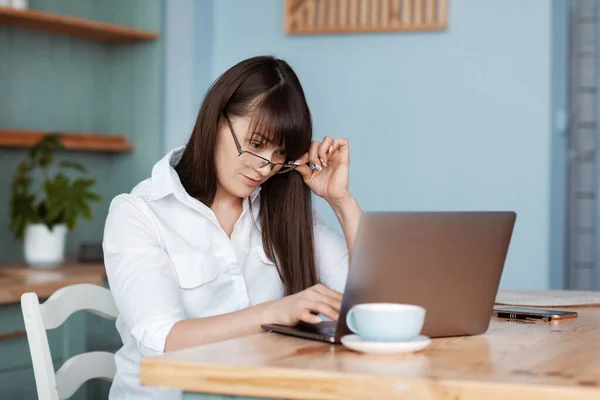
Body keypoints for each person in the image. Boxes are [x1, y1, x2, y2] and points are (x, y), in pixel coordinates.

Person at [102, 55, 363, 399]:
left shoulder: (280, 207)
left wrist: (340, 199)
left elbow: (373, 296)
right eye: (255, 144)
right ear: (216, 120)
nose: (265, 167)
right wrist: (273, 313)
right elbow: (160, 340)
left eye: (280, 154)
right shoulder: (138, 213)